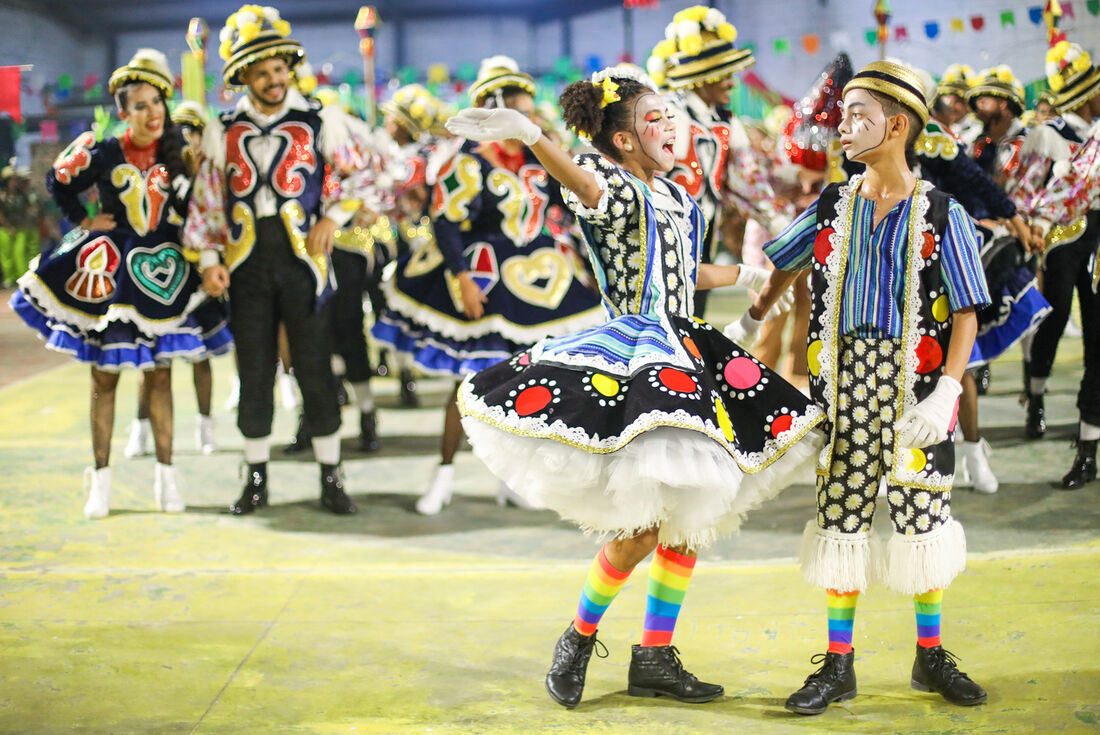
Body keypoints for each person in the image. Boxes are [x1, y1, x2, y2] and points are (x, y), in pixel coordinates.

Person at [446, 64, 823, 708]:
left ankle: (654, 652)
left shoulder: (677, 195)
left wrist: (744, 275)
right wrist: (534, 135)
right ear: (622, 140)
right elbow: (584, 183)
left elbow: (682, 267)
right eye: (655, 119)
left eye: (669, 115)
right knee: (645, 523)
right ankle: (577, 636)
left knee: (688, 517)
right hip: (639, 356)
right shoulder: (617, 186)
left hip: (687, 345)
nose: (671, 125)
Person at [733, 60, 991, 713]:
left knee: (921, 516)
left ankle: (930, 655)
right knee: (841, 517)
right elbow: (784, 264)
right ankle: (838, 662)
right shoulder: (831, 205)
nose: (841, 127)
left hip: (914, 391)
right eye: (844, 115)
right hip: (842, 387)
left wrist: (949, 391)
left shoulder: (942, 212)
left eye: (858, 116)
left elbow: (966, 309)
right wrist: (749, 319)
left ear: (897, 125)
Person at [370, 56, 605, 515]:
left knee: (531, 384)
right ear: (495, 110)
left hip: (542, 280)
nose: (529, 117)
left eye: (529, 109)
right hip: (483, 276)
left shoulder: (544, 151)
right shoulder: (466, 158)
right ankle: (444, 475)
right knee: (467, 383)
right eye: (519, 109)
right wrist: (461, 279)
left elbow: (572, 200)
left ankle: (513, 481)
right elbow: (448, 223)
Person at [11, 49, 232, 518]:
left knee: (160, 376)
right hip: (112, 270)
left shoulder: (180, 154)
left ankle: (167, 480)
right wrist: (85, 221)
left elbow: (201, 208)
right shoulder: (104, 151)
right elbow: (58, 180)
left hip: (165, 271)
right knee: (104, 378)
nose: (151, 114)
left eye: (157, 103)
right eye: (139, 106)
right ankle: (101, 483)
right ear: (122, 111)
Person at [184, 5, 373, 515]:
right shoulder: (220, 127)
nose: (274, 79)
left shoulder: (320, 119)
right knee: (254, 369)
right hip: (245, 265)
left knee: (313, 366)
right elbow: (205, 200)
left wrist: (332, 218)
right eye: (262, 71)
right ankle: (255, 479)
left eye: (279, 68)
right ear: (243, 75)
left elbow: (359, 176)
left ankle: (332, 479)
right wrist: (207, 259)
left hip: (303, 263)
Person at [646, 5, 793, 317]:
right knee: (663, 310)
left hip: (703, 229)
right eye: (724, 75)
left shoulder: (725, 121)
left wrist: (777, 222)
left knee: (694, 313)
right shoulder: (668, 113)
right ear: (701, 78)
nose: (732, 83)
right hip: (661, 231)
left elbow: (746, 180)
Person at [124, 101, 227, 459]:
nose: (186, 138)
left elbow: (212, 221)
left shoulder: (208, 174)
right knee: (152, 362)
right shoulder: (156, 169)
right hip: (154, 276)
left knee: (200, 357)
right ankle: (140, 429)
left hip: (194, 277)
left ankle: (206, 426)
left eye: (192, 131)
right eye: (179, 131)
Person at [1026, 39, 1100, 489]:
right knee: (1051, 319)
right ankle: (1035, 399)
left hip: (1095, 237)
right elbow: (1039, 186)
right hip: (1060, 239)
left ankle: (1087, 446)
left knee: (1098, 340)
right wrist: (1033, 231)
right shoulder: (1048, 133)